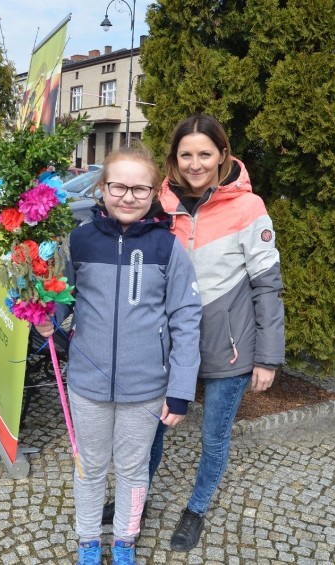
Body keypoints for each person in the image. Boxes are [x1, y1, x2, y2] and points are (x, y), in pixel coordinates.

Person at [34, 145, 202, 565]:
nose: (128, 197)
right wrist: (45, 314)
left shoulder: (168, 247)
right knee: (89, 466)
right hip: (88, 385)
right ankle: (89, 539)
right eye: (118, 186)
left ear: (154, 193)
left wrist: (180, 388)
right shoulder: (80, 240)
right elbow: (63, 300)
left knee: (133, 469)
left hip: (145, 387)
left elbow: (186, 318)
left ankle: (125, 540)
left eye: (139, 189)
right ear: (102, 188)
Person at [147, 114, 285, 552]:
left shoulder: (249, 207)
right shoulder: (159, 204)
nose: (195, 163)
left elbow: (267, 284)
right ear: (174, 158)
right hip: (169, 345)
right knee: (152, 429)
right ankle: (138, 496)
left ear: (223, 155)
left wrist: (268, 357)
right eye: (185, 154)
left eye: (205, 153)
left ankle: (197, 508)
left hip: (230, 345)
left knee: (214, 436)